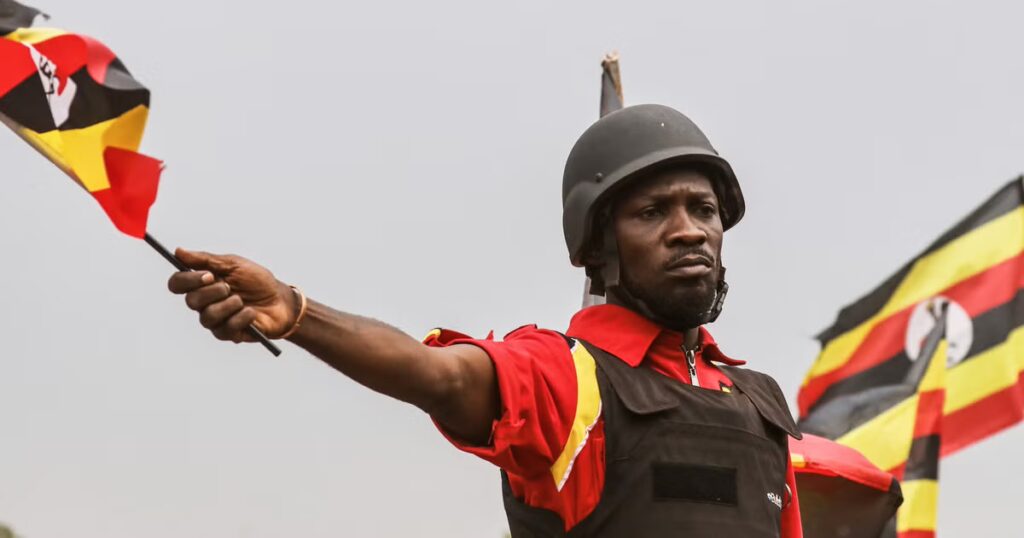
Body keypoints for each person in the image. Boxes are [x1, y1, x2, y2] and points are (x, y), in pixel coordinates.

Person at [167, 104, 804, 537]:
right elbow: (439, 376)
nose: (689, 230)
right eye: (652, 212)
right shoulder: (567, 377)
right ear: (597, 247)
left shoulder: (760, 406)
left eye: (703, 209)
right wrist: (297, 312)